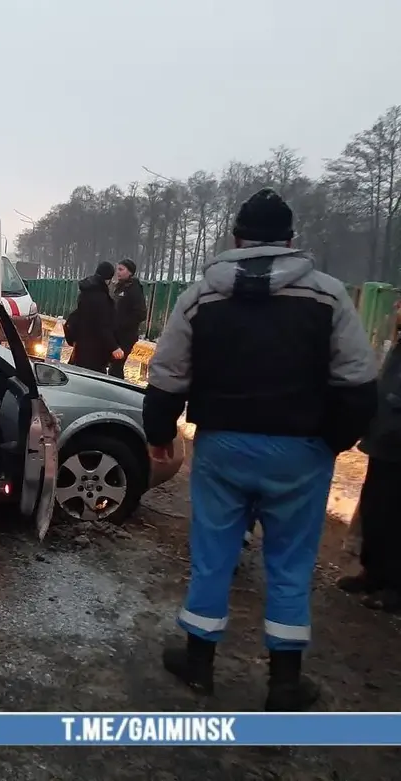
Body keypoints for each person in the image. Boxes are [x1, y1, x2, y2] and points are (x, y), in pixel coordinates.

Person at [142, 187, 378, 711]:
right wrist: (331, 441)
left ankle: (199, 663)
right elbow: (359, 381)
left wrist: (159, 431)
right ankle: (285, 684)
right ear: (292, 240)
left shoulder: (202, 295)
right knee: (291, 566)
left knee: (213, 556)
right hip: (301, 450)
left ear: (236, 238)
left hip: (224, 446)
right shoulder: (328, 295)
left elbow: (168, 371)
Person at [336, 303, 401, 611]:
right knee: (376, 508)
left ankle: (395, 586)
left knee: (394, 514)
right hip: (385, 440)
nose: (398, 307)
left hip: (397, 439)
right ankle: (373, 572)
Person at [64, 261, 117, 372]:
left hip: (81, 346)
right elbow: (103, 326)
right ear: (108, 279)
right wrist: (114, 347)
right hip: (95, 351)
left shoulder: (86, 291)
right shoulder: (102, 298)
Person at [109, 258, 148, 379]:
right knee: (111, 365)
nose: (118, 272)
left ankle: (117, 391)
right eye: (117, 269)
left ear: (130, 272)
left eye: (121, 269)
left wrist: (122, 324)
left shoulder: (134, 289)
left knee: (116, 367)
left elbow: (141, 313)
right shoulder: (118, 287)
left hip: (126, 336)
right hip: (115, 334)